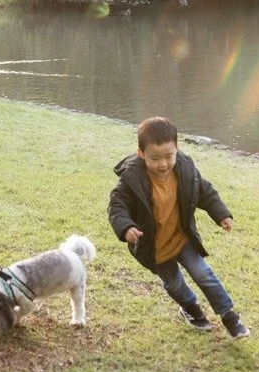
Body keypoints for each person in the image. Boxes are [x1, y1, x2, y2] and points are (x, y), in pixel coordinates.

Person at [107, 116, 250, 339]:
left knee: (204, 274)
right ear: (141, 153)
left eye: (168, 156)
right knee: (174, 284)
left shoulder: (185, 170)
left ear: (177, 149)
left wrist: (221, 213)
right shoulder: (131, 180)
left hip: (183, 239)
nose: (163, 164)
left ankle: (230, 317)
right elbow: (117, 206)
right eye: (155, 158)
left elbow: (204, 191)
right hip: (155, 248)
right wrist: (126, 228)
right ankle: (191, 309)